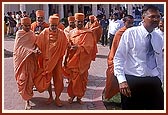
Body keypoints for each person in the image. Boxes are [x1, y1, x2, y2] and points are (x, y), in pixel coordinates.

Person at [113, 5, 164, 110]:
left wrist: (160, 79)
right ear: (143, 17)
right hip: (133, 82)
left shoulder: (158, 37)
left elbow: (159, 61)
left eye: (158, 16)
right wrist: (122, 81)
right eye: (152, 16)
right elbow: (119, 58)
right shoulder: (130, 33)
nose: (156, 19)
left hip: (153, 82)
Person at [63, 13, 97, 104]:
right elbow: (67, 44)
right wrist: (69, 49)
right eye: (78, 22)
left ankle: (79, 97)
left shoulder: (88, 32)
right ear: (75, 22)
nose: (80, 23)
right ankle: (72, 97)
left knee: (82, 80)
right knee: (72, 80)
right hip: (73, 59)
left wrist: (78, 47)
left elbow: (89, 47)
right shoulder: (71, 32)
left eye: (81, 22)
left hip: (83, 61)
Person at [33, 16, 68, 107]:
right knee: (48, 79)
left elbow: (65, 44)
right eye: (52, 25)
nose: (54, 27)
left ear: (57, 25)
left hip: (57, 62)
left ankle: (57, 97)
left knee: (59, 80)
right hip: (47, 60)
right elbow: (38, 44)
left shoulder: (61, 33)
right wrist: (38, 50)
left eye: (55, 25)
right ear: (49, 24)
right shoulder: (44, 33)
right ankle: (50, 96)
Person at [13, 17, 41, 110]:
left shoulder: (32, 34)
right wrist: (31, 51)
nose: (28, 27)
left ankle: (27, 99)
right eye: (26, 26)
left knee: (30, 80)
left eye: (29, 25)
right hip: (21, 61)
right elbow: (18, 48)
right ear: (21, 25)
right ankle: (26, 99)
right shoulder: (19, 34)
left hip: (31, 61)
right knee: (23, 79)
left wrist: (36, 50)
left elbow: (35, 45)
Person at [105, 15, 134, 100]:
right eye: (129, 23)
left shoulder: (133, 32)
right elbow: (116, 49)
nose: (131, 25)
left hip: (131, 60)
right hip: (121, 59)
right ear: (124, 22)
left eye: (132, 23)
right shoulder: (120, 33)